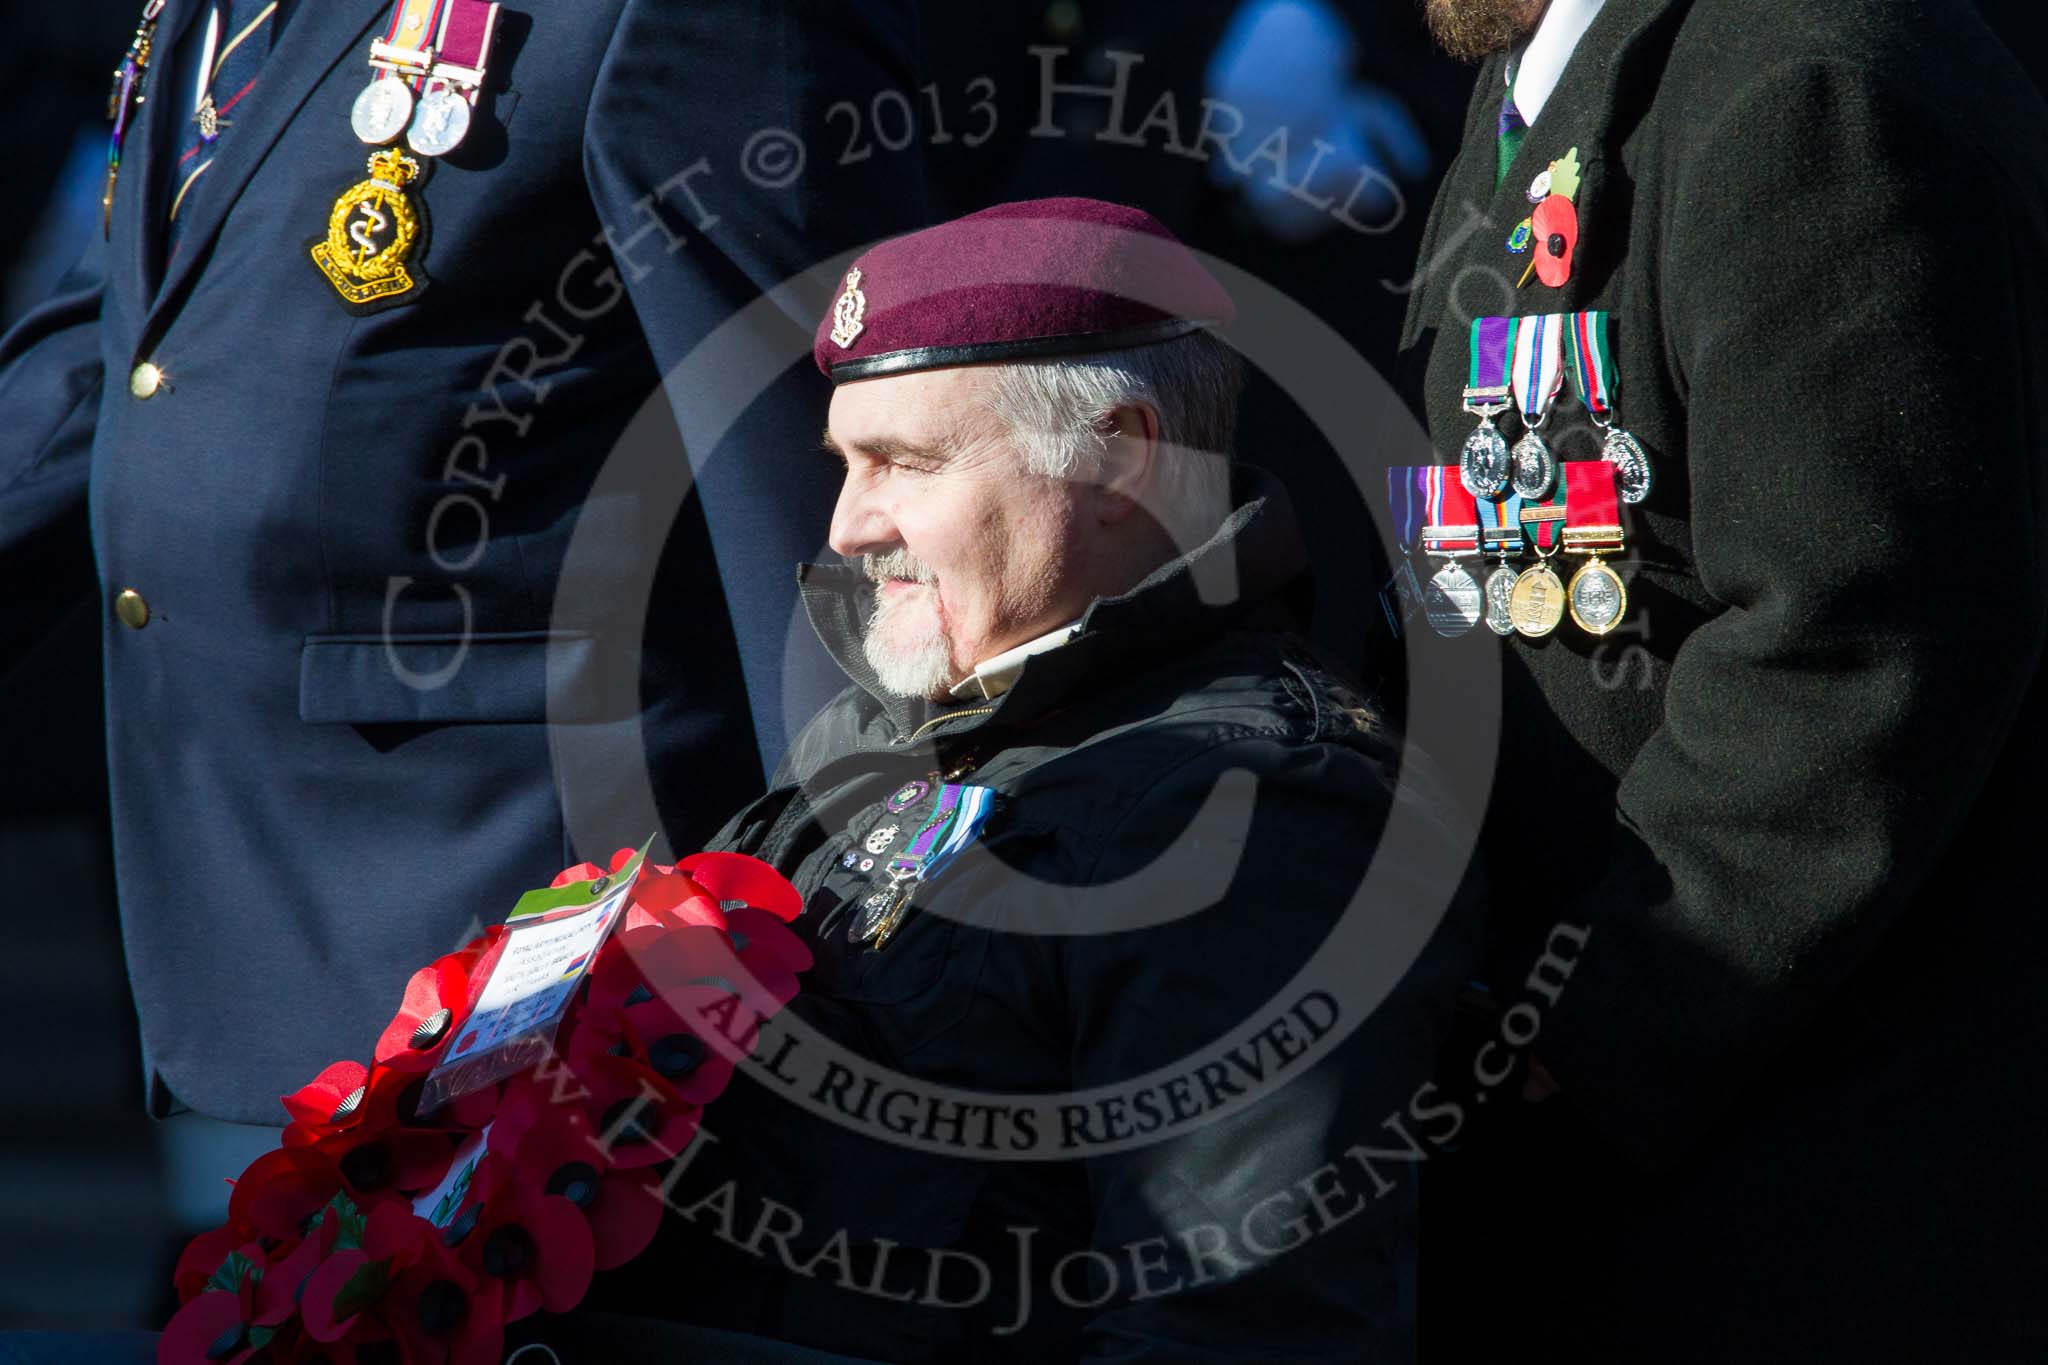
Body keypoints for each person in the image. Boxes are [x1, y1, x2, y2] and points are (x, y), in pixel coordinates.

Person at [524, 198, 1482, 1361]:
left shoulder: (1257, 807)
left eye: (903, 463)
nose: (847, 526)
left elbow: (1233, 1331)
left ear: (1121, 455)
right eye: (844, 465)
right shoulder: (879, 722)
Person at [0, 0, 923, 1195]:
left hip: (522, 905)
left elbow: (809, 471)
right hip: (242, 866)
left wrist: (866, 932)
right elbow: (123, 330)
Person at [1396, 0, 2048, 1358]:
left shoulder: (1809, 77)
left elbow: (1853, 642)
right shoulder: (1569, 69)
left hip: (1801, 1162)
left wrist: (1571, 1035)